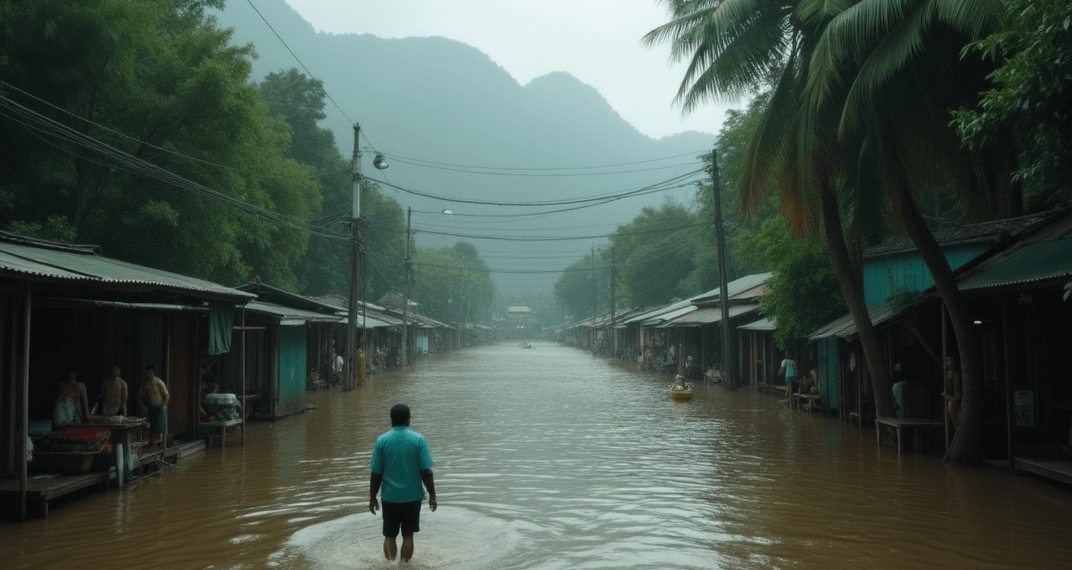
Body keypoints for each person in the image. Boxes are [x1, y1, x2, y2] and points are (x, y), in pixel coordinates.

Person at [369, 404, 437, 563]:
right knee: (408, 534)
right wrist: (432, 495)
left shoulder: (382, 441)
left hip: (390, 498)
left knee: (389, 535)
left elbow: (376, 473)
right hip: (412, 497)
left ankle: (390, 566)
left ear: (391, 419)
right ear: (408, 418)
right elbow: (426, 471)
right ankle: (405, 566)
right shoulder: (418, 440)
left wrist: (372, 498)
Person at [140, 365, 170, 446]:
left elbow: (166, 395)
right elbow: (143, 397)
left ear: (153, 373)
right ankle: (152, 443)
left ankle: (162, 444)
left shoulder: (159, 382)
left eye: (150, 373)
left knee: (161, 427)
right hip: (151, 407)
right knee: (152, 427)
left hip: (160, 406)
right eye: (147, 373)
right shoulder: (145, 384)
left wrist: (164, 406)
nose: (148, 374)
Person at [943, 356, 962, 428]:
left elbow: (957, 392)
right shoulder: (947, 374)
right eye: (947, 361)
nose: (949, 362)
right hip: (949, 398)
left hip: (954, 400)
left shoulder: (956, 374)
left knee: (955, 419)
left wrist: (951, 398)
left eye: (950, 360)